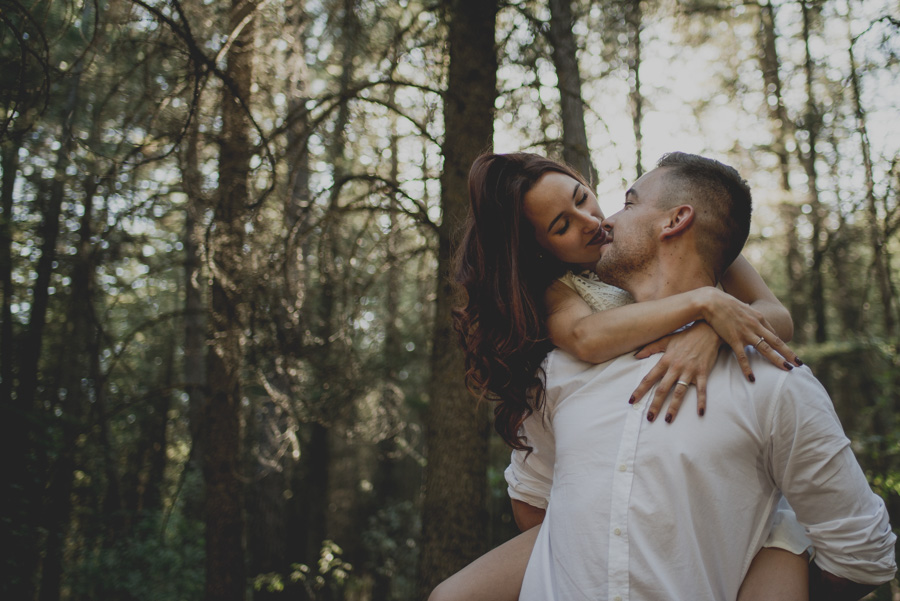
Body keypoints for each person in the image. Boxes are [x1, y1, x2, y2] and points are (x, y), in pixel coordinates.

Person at [506, 152, 896, 599]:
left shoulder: (775, 385)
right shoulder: (562, 362)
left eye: (626, 203)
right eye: (561, 225)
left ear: (676, 220)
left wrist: (774, 573)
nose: (601, 221)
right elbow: (533, 499)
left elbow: (864, 558)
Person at [430, 152, 809, 601]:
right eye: (561, 226)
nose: (589, 220)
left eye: (582, 198)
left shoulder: (668, 238)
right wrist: (704, 304)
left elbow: (775, 316)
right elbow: (586, 337)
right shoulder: (560, 289)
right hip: (561, 506)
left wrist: (711, 332)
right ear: (541, 248)